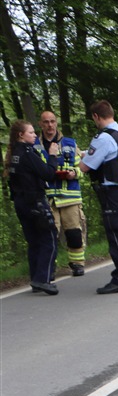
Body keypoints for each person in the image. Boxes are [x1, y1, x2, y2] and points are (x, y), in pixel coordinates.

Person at [78, 100, 118, 294]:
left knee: (117, 236)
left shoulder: (103, 139)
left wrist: (82, 156)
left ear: (96, 117)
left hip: (113, 194)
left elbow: (85, 167)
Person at [4, 119, 61, 295]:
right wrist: (52, 155)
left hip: (21, 203)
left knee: (34, 241)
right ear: (21, 135)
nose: (35, 135)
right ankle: (43, 279)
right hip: (34, 201)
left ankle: (36, 278)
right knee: (50, 238)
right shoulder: (27, 153)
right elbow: (48, 174)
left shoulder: (15, 154)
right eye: (31, 132)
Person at [37, 111, 86, 276]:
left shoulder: (70, 143)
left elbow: (82, 169)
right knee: (50, 236)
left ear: (56, 123)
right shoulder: (35, 145)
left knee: (74, 233)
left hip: (70, 197)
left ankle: (77, 263)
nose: (49, 125)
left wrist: (74, 173)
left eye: (52, 121)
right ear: (40, 124)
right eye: (46, 122)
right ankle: (50, 268)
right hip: (47, 199)